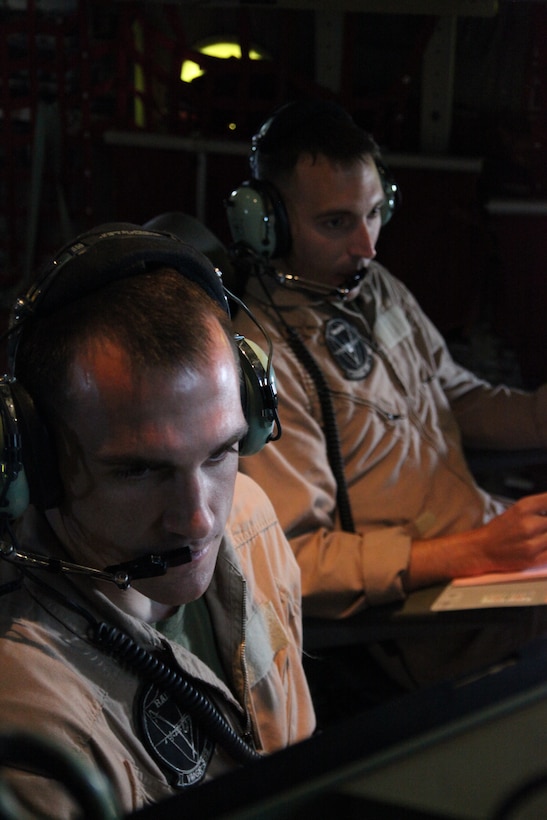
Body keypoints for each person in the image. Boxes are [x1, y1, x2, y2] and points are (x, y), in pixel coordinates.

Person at [224, 98, 547, 706]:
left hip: (486, 545)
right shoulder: (266, 358)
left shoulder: (374, 286)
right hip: (421, 620)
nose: (368, 246)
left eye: (376, 213)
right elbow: (297, 563)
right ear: (266, 221)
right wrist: (474, 552)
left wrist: (537, 415)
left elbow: (455, 396)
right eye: (337, 223)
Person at [0, 223, 315, 817]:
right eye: (139, 472)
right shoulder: (28, 720)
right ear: (36, 465)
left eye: (220, 452)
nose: (198, 519)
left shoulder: (251, 520)